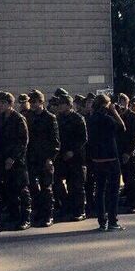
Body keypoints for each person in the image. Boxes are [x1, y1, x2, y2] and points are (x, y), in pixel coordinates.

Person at [0, 91, 32, 231]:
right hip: (2, 158)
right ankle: (14, 215)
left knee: (21, 189)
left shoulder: (18, 118)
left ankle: (26, 218)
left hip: (16, 160)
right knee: (8, 189)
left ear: (10, 104)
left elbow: (23, 141)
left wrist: (13, 158)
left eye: (2, 103)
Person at [87, 93, 126, 231]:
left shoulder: (91, 119)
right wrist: (114, 111)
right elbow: (122, 127)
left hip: (97, 159)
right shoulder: (108, 119)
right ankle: (112, 221)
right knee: (113, 191)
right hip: (110, 158)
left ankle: (101, 221)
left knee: (99, 190)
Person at [25, 89, 60, 227]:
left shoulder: (50, 118)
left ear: (41, 102)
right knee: (33, 187)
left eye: (34, 102)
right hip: (32, 157)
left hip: (45, 157)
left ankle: (48, 215)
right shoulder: (28, 116)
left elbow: (55, 141)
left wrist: (50, 158)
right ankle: (38, 212)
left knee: (46, 188)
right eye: (31, 102)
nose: (32, 104)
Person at [54, 92, 88, 221]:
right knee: (57, 182)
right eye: (59, 104)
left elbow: (83, 138)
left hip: (76, 157)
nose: (60, 107)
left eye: (62, 104)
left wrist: (73, 151)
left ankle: (80, 210)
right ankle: (66, 206)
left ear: (69, 105)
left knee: (76, 185)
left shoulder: (78, 118)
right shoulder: (58, 118)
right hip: (61, 156)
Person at [116, 93, 135, 213]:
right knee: (123, 179)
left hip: (129, 152)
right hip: (117, 151)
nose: (121, 104)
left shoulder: (133, 116)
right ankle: (126, 201)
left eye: (123, 101)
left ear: (127, 103)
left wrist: (129, 152)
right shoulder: (115, 116)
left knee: (132, 179)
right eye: (119, 101)